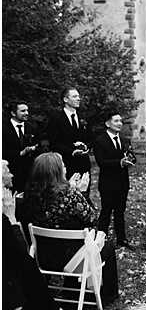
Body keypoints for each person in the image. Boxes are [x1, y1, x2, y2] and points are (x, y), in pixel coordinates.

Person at [21, 153, 119, 305]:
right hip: (72, 259)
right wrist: (82, 193)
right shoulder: (71, 196)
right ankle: (108, 295)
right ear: (56, 171)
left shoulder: (30, 195)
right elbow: (93, 218)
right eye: (63, 165)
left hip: (44, 257)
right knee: (107, 246)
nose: (66, 167)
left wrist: (71, 188)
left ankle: (70, 290)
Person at [2, 159, 58, 310]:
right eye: (7, 172)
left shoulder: (26, 198)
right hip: (13, 282)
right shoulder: (5, 216)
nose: (12, 175)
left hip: (39, 256)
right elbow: (20, 252)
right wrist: (12, 220)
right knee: (30, 270)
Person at [94, 111, 134, 249]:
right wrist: (119, 163)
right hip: (108, 182)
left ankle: (122, 239)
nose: (120, 124)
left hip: (122, 181)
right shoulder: (100, 140)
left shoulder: (124, 140)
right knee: (106, 211)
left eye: (121, 121)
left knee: (120, 211)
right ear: (107, 123)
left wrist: (130, 159)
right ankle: (100, 241)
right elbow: (101, 162)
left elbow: (131, 156)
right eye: (116, 121)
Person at [45, 87, 92, 196]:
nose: (78, 99)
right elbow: (54, 142)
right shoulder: (56, 118)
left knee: (84, 195)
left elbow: (91, 138)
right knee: (65, 196)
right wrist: (71, 151)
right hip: (65, 164)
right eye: (75, 96)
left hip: (83, 164)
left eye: (79, 96)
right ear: (65, 99)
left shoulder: (83, 117)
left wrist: (85, 146)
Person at [2, 101, 40, 192]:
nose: (27, 113)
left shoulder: (32, 127)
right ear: (13, 113)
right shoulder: (3, 128)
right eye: (23, 111)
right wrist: (20, 153)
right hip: (10, 172)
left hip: (29, 173)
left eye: (27, 110)